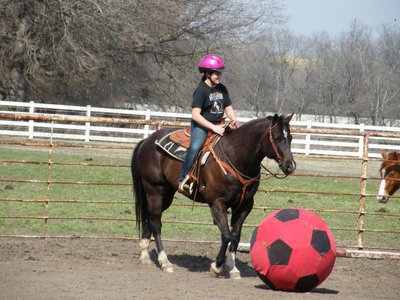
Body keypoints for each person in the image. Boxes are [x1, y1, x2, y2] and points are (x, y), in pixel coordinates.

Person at [178, 54, 239, 194]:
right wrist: (213, 127)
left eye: (220, 73)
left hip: (220, 124)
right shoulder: (201, 91)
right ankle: (183, 178)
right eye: (216, 73)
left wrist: (234, 118)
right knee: (195, 147)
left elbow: (228, 107)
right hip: (203, 126)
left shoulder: (222, 88)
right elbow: (195, 115)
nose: (219, 76)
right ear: (207, 73)